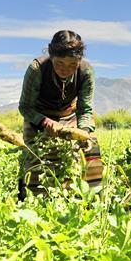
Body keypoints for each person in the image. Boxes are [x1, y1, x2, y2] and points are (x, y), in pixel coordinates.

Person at [17, 30, 100, 198]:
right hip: (38, 116)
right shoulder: (37, 69)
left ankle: (92, 200)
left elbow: (85, 109)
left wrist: (84, 133)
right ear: (51, 54)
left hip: (69, 115)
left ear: (80, 60)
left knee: (91, 152)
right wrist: (46, 122)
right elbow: (25, 107)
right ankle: (33, 201)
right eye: (60, 63)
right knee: (35, 159)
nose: (66, 70)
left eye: (72, 65)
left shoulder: (86, 72)